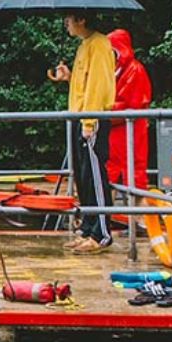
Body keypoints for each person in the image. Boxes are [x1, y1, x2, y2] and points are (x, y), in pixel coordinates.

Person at [46, 13, 116, 254]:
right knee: (82, 176)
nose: (66, 23)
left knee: (95, 175)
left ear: (82, 19)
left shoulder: (100, 44)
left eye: (69, 19)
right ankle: (88, 228)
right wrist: (69, 78)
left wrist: (89, 120)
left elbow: (98, 86)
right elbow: (85, 84)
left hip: (92, 118)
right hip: (79, 116)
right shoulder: (84, 45)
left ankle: (102, 233)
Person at [104, 29, 152, 190]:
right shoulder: (113, 71)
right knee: (109, 175)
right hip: (113, 132)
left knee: (135, 177)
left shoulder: (135, 70)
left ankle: (137, 214)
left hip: (132, 131)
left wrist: (102, 112)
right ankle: (106, 214)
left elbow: (132, 104)